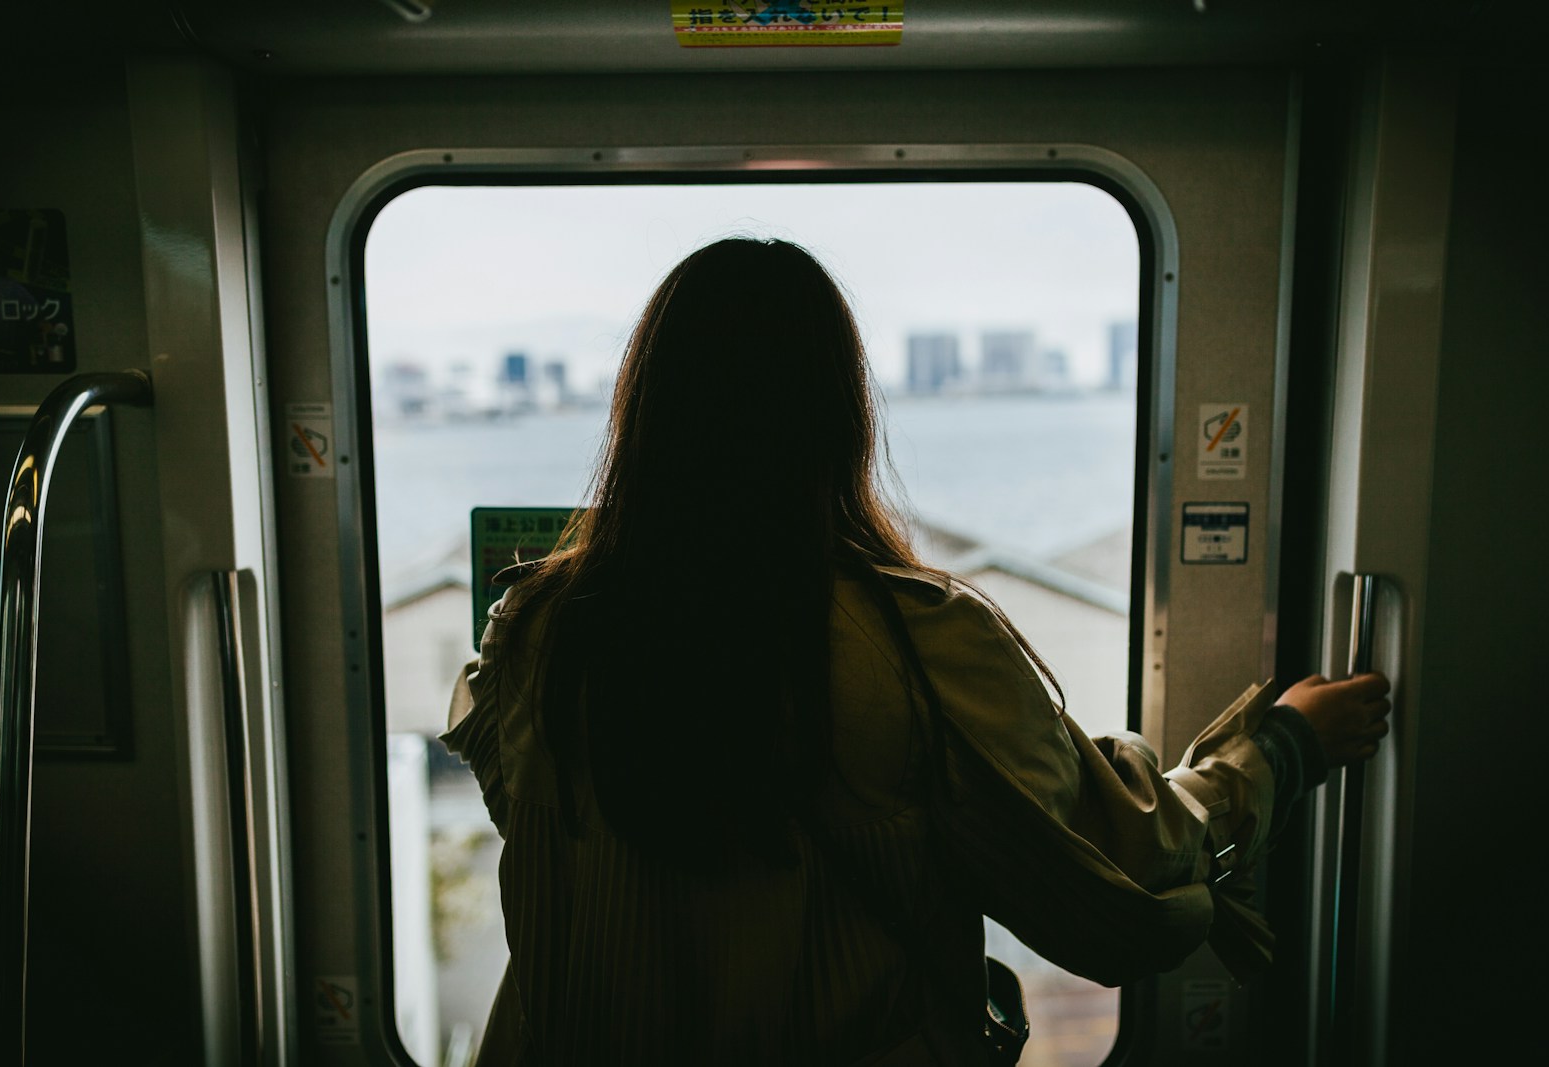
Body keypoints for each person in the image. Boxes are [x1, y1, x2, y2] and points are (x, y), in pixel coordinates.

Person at [442, 237, 1391, 1066]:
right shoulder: (918, 644)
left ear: (646, 416)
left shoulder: (535, 633)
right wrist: (1281, 746)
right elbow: (1124, 872)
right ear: (838, 419)